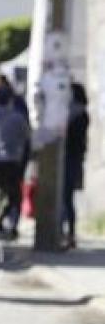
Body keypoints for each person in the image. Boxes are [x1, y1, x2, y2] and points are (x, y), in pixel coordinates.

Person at [0, 85, 29, 239]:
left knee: (0, 190)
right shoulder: (17, 117)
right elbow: (26, 135)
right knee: (14, 194)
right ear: (10, 100)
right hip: (12, 160)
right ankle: (5, 222)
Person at [63, 82, 89, 249]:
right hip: (75, 159)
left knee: (66, 198)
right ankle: (69, 233)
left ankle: (69, 234)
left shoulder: (75, 114)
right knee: (68, 198)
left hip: (69, 159)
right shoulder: (81, 114)